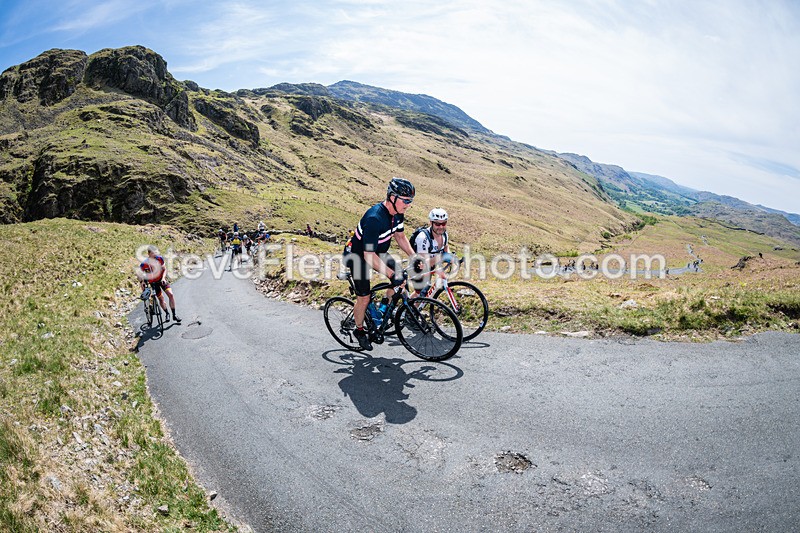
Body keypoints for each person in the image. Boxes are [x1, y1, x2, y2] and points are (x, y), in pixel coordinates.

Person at [344, 177, 416, 350]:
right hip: (358, 256)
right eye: (405, 200)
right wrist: (391, 275)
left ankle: (383, 308)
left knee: (401, 277)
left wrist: (414, 257)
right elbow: (368, 255)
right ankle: (359, 330)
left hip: (378, 252)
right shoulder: (375, 218)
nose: (408, 204)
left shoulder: (398, 214)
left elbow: (400, 236)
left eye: (410, 201)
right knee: (364, 298)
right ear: (392, 197)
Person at [410, 208, 452, 296]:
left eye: (443, 223)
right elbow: (424, 263)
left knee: (424, 294)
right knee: (420, 293)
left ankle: (413, 307)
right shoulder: (423, 238)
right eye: (437, 224)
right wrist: (442, 257)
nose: (441, 227)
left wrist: (450, 256)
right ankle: (408, 308)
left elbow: (446, 247)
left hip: (431, 266)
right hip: (418, 267)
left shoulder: (444, 234)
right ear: (431, 222)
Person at [137, 245, 181, 323]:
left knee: (171, 294)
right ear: (149, 254)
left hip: (161, 280)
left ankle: (174, 315)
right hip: (153, 284)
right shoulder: (144, 264)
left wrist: (163, 278)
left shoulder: (159, 259)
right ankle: (167, 313)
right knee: (161, 299)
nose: (155, 254)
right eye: (153, 253)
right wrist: (142, 281)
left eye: (156, 252)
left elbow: (164, 269)